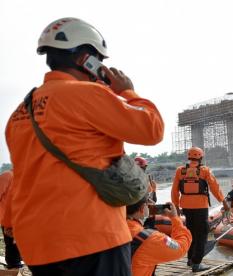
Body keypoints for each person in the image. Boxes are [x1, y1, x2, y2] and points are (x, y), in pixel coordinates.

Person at [4, 17, 164, 275]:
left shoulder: (19, 113)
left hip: (37, 245)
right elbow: (152, 129)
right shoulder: (86, 94)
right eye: (99, 60)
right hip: (92, 238)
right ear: (84, 59)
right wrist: (127, 92)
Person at [171, 147, 230, 272]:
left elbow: (174, 190)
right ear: (201, 157)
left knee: (190, 232)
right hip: (200, 207)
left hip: (186, 207)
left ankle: (190, 259)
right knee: (202, 234)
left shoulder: (180, 171)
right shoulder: (205, 170)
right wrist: (224, 202)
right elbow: (215, 187)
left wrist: (176, 206)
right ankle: (197, 263)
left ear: (189, 157)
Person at [126, 195, 192, 276]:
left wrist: (149, 218)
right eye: (147, 203)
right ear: (142, 208)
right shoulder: (152, 239)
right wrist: (175, 218)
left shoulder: (110, 227)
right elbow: (181, 247)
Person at [0, 170, 22, 269]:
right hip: (7, 218)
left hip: (20, 217)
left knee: (17, 245)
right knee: (12, 245)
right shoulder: (7, 175)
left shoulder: (24, 177)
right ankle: (14, 267)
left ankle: (16, 266)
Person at [134, 156, 158, 229]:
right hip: (139, 211)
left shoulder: (148, 180)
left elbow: (153, 200)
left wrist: (154, 190)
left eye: (143, 168)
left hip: (145, 210)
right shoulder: (133, 181)